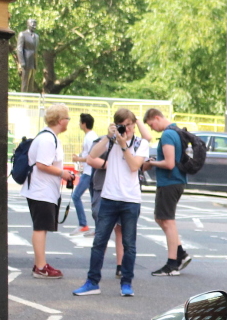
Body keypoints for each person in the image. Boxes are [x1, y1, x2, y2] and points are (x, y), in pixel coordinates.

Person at [74, 108, 149, 297]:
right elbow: (92, 155)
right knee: (99, 242)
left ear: (134, 124)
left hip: (130, 200)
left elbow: (134, 166)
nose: (128, 129)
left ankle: (126, 283)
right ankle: (92, 282)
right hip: (109, 197)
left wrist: (123, 146)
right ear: (117, 125)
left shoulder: (141, 143)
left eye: (130, 125)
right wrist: (109, 137)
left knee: (129, 244)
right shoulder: (111, 141)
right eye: (124, 125)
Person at [22, 103, 74, 279]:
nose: (68, 121)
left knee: (41, 227)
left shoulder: (48, 137)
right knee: (40, 227)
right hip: (41, 190)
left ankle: (40, 263)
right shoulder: (47, 139)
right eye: (67, 118)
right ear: (60, 120)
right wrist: (63, 173)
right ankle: (40, 267)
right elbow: (42, 164)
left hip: (42, 189)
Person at [142, 108, 192, 275]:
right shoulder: (176, 131)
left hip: (170, 181)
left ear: (156, 117)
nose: (152, 128)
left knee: (168, 221)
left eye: (151, 124)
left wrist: (153, 162)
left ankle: (172, 264)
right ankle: (180, 253)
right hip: (174, 180)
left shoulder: (167, 135)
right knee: (160, 218)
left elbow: (169, 164)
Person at [71, 113, 98, 234]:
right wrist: (80, 156)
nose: (79, 124)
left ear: (84, 124)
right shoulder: (90, 136)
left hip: (89, 172)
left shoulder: (90, 137)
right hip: (89, 171)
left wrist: (79, 159)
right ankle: (97, 227)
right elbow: (87, 153)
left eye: (80, 122)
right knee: (94, 200)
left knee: (76, 196)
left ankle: (83, 224)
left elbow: (92, 156)